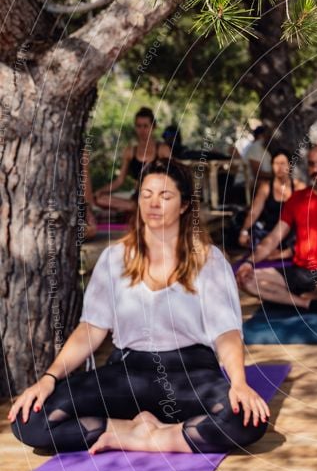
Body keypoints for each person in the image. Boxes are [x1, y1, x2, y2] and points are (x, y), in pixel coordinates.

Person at [10, 160, 269, 454]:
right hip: (127, 374)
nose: (153, 203)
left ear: (184, 205)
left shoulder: (208, 261)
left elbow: (226, 333)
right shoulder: (114, 258)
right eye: (146, 195)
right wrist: (49, 378)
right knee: (28, 420)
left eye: (165, 196)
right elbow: (91, 330)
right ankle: (123, 430)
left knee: (247, 421)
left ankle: (153, 437)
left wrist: (238, 382)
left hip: (190, 374)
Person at [236, 144, 317, 310]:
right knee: (245, 280)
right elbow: (274, 237)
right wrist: (249, 262)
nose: (316, 169)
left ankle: (304, 296)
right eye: (311, 164)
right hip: (300, 271)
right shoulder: (297, 199)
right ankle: (307, 302)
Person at [94, 107, 172, 214]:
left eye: (145, 126)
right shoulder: (130, 151)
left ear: (153, 127)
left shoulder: (163, 150)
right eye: (139, 126)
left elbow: (173, 177)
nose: (142, 130)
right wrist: (101, 191)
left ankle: (142, 209)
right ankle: (138, 208)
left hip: (158, 198)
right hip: (137, 199)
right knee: (100, 199)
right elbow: (120, 180)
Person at [238, 150, 306, 258]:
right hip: (268, 232)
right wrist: (244, 231)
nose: (279, 167)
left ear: (290, 165)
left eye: (283, 163)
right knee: (256, 243)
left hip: (289, 233)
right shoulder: (266, 187)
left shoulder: (299, 187)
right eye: (276, 163)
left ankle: (283, 253)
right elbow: (254, 211)